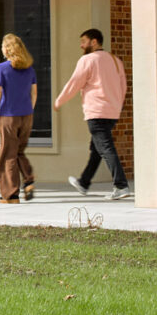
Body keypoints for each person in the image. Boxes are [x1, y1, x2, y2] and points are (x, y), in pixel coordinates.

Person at [54, 27, 130, 200]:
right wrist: (117, 106)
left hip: (96, 112)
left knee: (105, 148)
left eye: (83, 41)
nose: (81, 46)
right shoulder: (115, 60)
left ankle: (121, 185)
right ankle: (84, 182)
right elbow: (123, 87)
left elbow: (75, 83)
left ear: (94, 41)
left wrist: (59, 101)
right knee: (97, 148)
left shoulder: (87, 60)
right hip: (112, 113)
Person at [0, 33, 38, 203]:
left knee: (8, 154)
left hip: (9, 116)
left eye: (2, 46)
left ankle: (10, 194)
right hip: (27, 115)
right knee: (19, 151)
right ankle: (29, 180)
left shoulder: (1, 68)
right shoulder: (30, 69)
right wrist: (29, 110)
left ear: (7, 49)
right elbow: (34, 93)